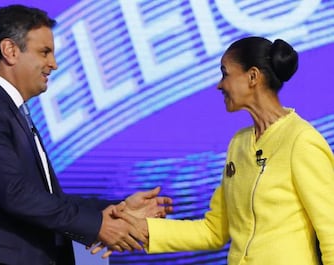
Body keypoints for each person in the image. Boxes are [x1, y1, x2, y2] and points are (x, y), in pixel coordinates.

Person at [0, 4, 173, 265]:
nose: (54, 64)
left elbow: (48, 199)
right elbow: (16, 194)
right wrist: (98, 226)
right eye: (44, 52)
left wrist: (118, 209)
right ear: (10, 50)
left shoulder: (10, 112)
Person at [98, 36, 334, 264]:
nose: (220, 84)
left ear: (253, 76)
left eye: (225, 73)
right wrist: (141, 228)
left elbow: (331, 231)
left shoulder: (301, 140)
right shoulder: (239, 144)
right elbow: (213, 231)